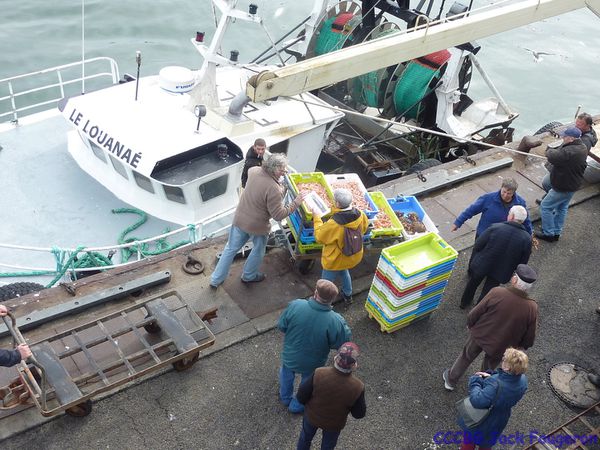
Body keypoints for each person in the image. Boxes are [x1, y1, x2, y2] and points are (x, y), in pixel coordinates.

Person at [210, 153, 306, 288]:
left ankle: (215, 280)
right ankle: (248, 276)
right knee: (258, 250)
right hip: (258, 226)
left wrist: (280, 186)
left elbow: (262, 190)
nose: (284, 171)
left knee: (230, 249)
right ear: (274, 169)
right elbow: (278, 215)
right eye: (282, 169)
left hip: (240, 218)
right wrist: (295, 203)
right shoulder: (274, 189)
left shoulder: (253, 171)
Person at [443, 264, 538, 391]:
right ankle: (479, 388)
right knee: (488, 368)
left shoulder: (497, 292)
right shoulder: (532, 307)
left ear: (515, 280)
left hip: (480, 335)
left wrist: (470, 324)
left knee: (466, 356)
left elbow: (476, 312)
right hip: (503, 345)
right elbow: (530, 334)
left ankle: (451, 380)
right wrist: (522, 346)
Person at [277, 280, 352, 414]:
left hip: (290, 355)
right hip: (313, 361)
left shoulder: (296, 305)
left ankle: (285, 397)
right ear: (332, 299)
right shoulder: (335, 320)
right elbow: (341, 342)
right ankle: (297, 405)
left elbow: (282, 325)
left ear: (316, 292)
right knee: (308, 382)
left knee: (286, 374)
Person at [296, 342, 366, 450]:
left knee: (305, 438)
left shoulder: (319, 373)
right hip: (334, 424)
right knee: (328, 446)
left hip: (311, 417)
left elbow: (301, 396)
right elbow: (359, 414)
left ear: (336, 357)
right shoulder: (358, 387)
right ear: (354, 365)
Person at [459, 205, 532, 309]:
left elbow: (478, 244)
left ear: (511, 217)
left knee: (473, 283)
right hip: (502, 271)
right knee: (488, 291)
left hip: (483, 263)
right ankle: (478, 309)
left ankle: (464, 303)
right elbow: (522, 262)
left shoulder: (495, 227)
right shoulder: (526, 239)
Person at [457, 348, 529, 450]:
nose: (502, 360)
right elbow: (503, 387)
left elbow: (477, 400)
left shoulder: (494, 384)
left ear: (508, 367)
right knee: (486, 443)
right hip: (500, 419)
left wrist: (475, 381)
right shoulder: (523, 380)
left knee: (469, 441)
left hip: (482, 419)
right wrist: (491, 377)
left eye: (504, 360)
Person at [312, 188, 369, 303]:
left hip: (336, 258)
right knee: (344, 271)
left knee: (325, 283)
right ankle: (348, 295)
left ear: (337, 203)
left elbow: (319, 236)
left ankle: (320, 301)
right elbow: (364, 228)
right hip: (353, 255)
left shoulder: (335, 223)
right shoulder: (360, 214)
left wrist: (317, 218)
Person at [535, 126, 588, 242]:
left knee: (546, 207)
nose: (562, 137)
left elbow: (553, 156)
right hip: (572, 184)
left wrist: (548, 150)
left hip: (563, 186)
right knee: (562, 207)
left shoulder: (569, 152)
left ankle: (548, 233)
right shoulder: (582, 147)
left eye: (565, 136)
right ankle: (557, 232)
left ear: (571, 138)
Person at [451, 178, 532, 238]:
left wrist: (530, 235)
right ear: (501, 188)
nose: (505, 195)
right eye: (504, 192)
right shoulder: (488, 198)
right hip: (483, 235)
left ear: (514, 193)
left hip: (503, 237)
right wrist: (458, 222)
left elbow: (525, 220)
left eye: (509, 193)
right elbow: (471, 210)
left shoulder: (520, 203)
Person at [575, 112, 600, 184]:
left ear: (588, 126)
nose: (576, 126)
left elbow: (577, 157)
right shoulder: (585, 131)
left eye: (580, 125)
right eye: (576, 123)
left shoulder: (586, 140)